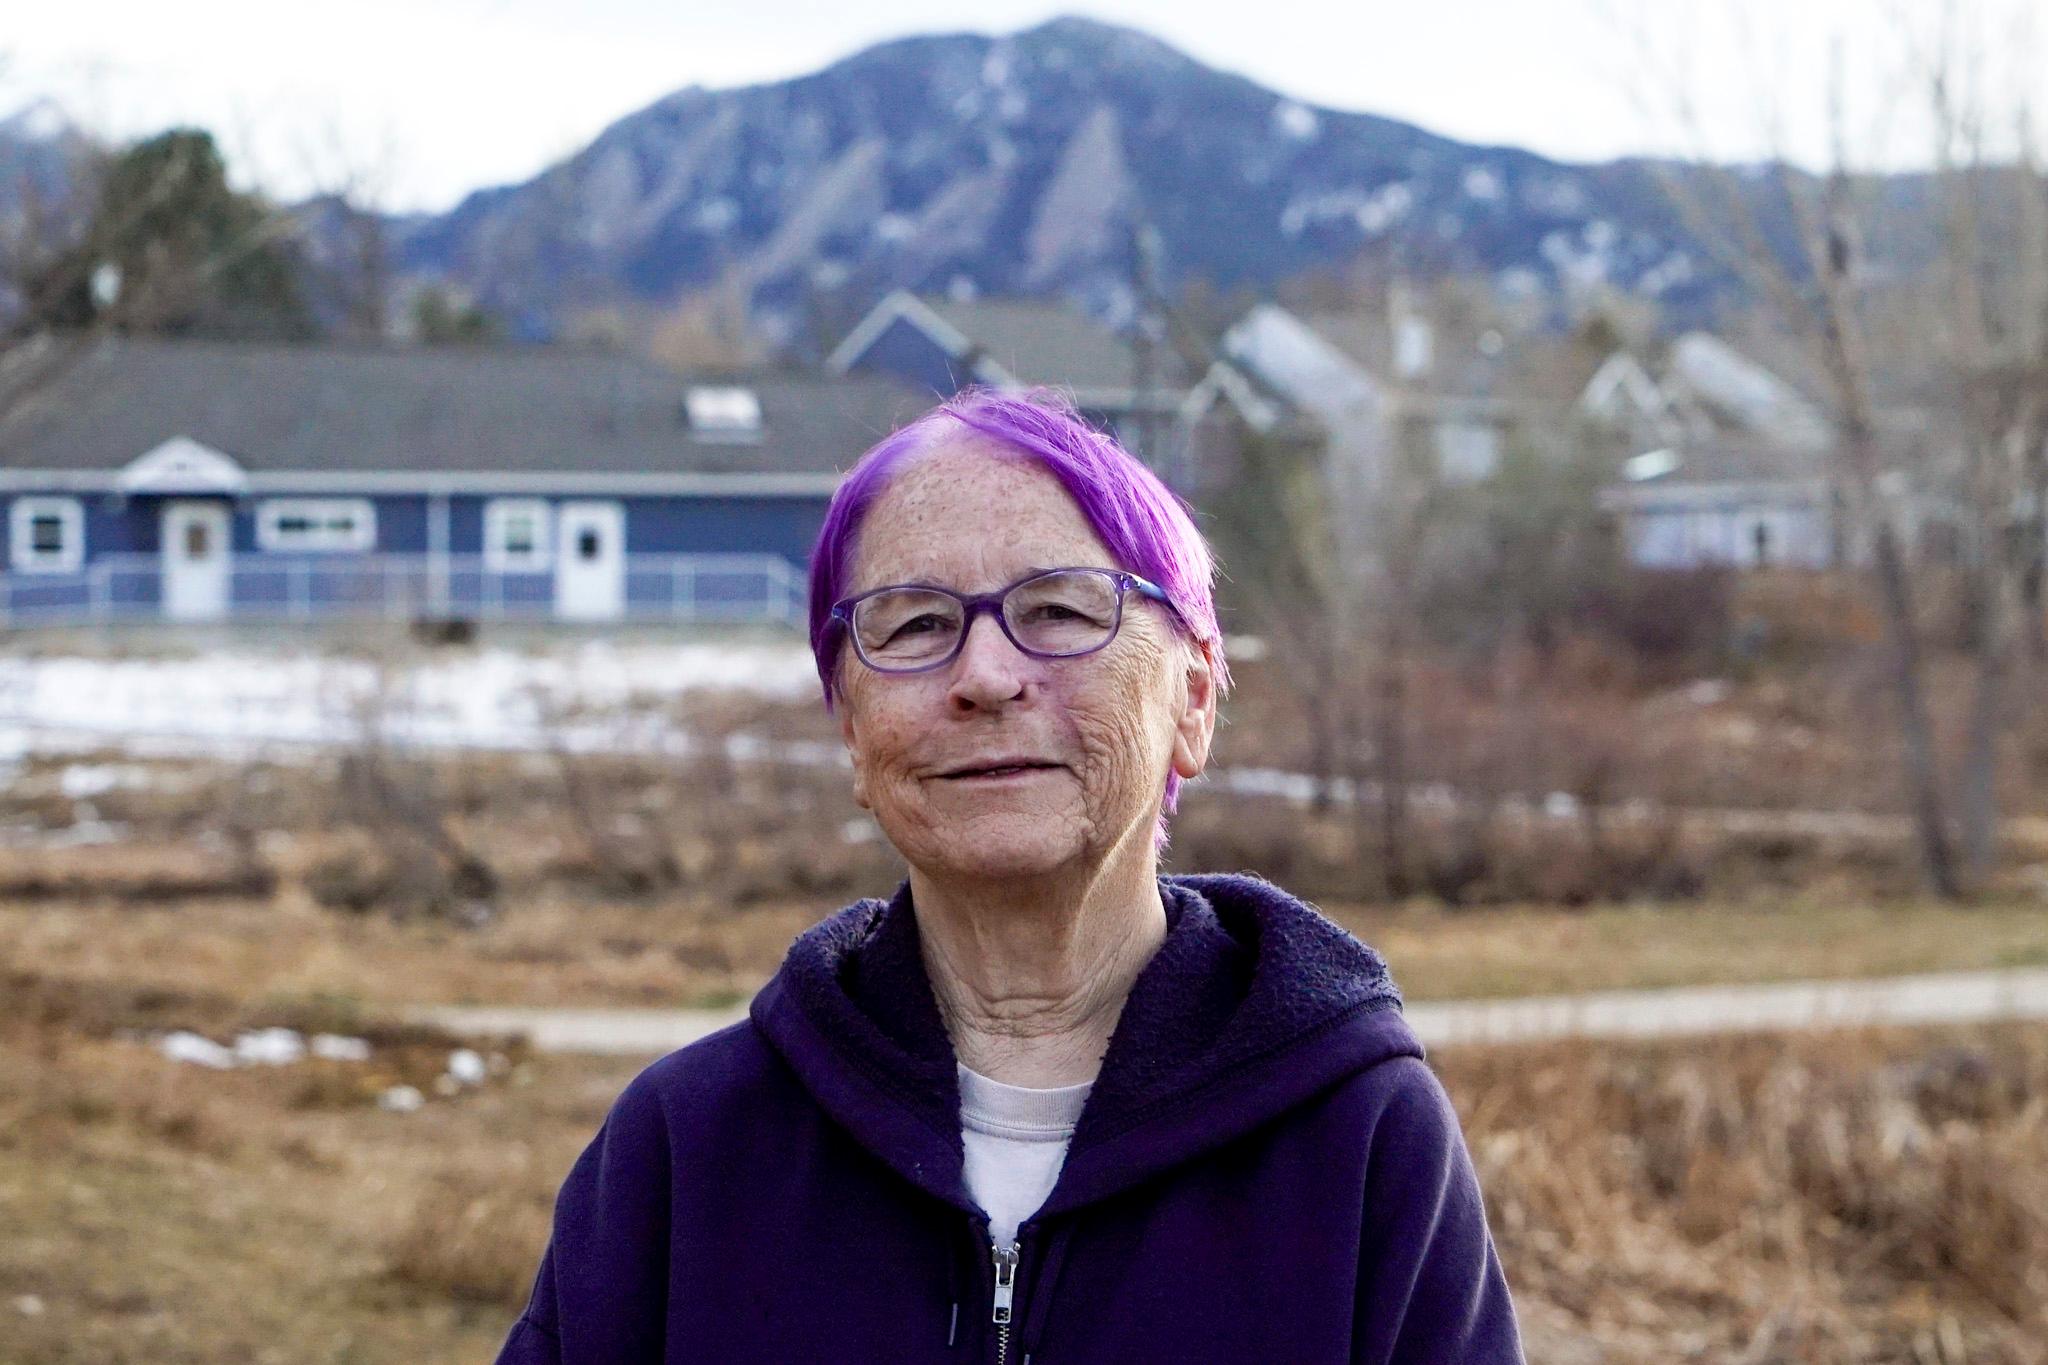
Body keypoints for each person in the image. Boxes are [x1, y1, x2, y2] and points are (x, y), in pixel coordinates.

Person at [496, 388, 1524, 1364]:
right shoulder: (686, 1152)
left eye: (1061, 611)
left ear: (1193, 700)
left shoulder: (1356, 1142)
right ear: (851, 733)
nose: (985, 676)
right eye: (914, 625)